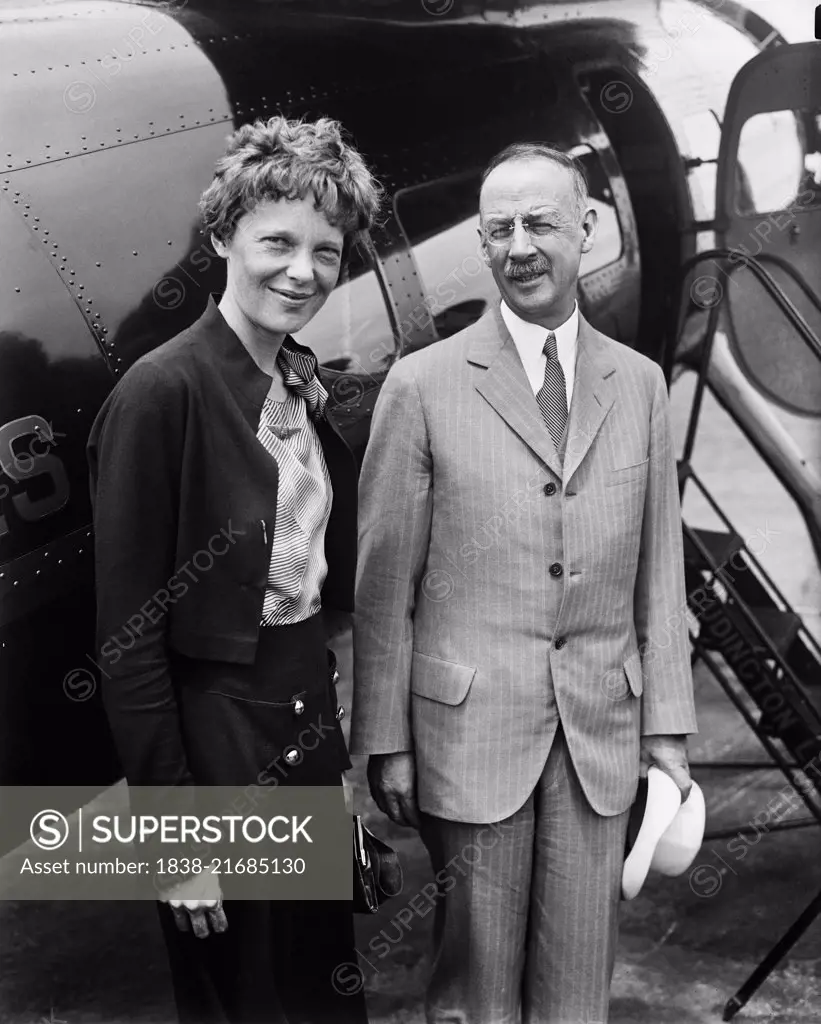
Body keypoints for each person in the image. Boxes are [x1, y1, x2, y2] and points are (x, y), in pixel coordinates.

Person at [350, 142, 698, 1023]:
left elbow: (660, 572)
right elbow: (384, 583)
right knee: (473, 991)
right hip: (469, 736)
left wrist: (667, 728)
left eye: (539, 222)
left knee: (579, 987)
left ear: (585, 228)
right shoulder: (419, 386)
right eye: (496, 229)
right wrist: (383, 736)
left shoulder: (642, 386)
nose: (519, 247)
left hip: (599, 736)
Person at [87, 115, 381, 1024]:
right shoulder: (161, 392)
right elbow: (128, 645)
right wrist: (177, 843)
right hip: (216, 745)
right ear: (221, 238)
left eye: (326, 251)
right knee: (247, 1002)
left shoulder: (296, 379)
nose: (302, 271)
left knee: (323, 987)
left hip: (297, 720)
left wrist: (335, 765)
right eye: (276, 242)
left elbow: (314, 602)